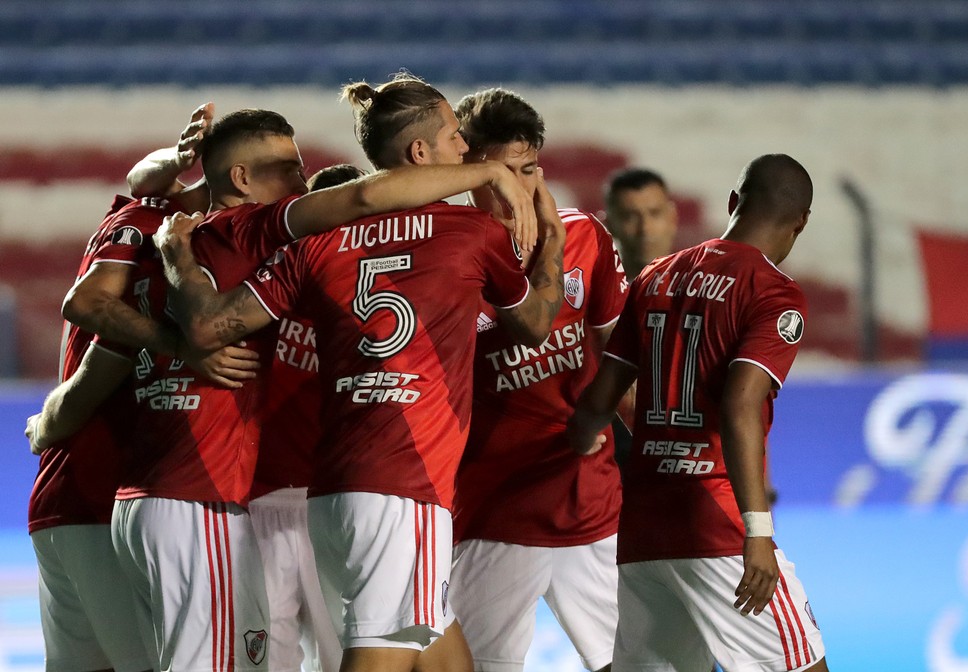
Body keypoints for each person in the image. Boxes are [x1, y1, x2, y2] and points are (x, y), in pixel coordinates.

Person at [104, 105, 543, 672]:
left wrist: (174, 261)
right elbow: (367, 199)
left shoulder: (281, 248)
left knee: (428, 640)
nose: (301, 180)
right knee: (345, 653)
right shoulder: (271, 231)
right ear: (242, 178)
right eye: (289, 168)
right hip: (360, 483)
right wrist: (499, 180)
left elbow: (108, 290)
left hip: (308, 492)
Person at [568, 154, 828, 671]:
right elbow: (740, 404)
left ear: (733, 203)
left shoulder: (654, 278)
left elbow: (599, 400)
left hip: (644, 531)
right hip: (717, 527)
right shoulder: (774, 293)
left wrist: (580, 439)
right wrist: (758, 530)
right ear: (801, 222)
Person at [23, 103, 258, 672]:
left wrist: (49, 422)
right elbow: (99, 352)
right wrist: (184, 344)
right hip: (104, 494)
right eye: (288, 170)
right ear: (240, 177)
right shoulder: (166, 255)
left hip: (63, 500)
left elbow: (143, 178)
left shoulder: (138, 217)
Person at [449, 87, 626, 672]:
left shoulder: (586, 238)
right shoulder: (447, 261)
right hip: (492, 514)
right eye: (500, 174)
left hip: (590, 507)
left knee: (637, 663)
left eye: (527, 171)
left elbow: (623, 361)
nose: (515, 190)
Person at [603, 168, 678, 279]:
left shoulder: (700, 287)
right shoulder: (592, 289)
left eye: (655, 213)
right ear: (609, 225)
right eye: (630, 217)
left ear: (672, 218)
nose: (645, 228)